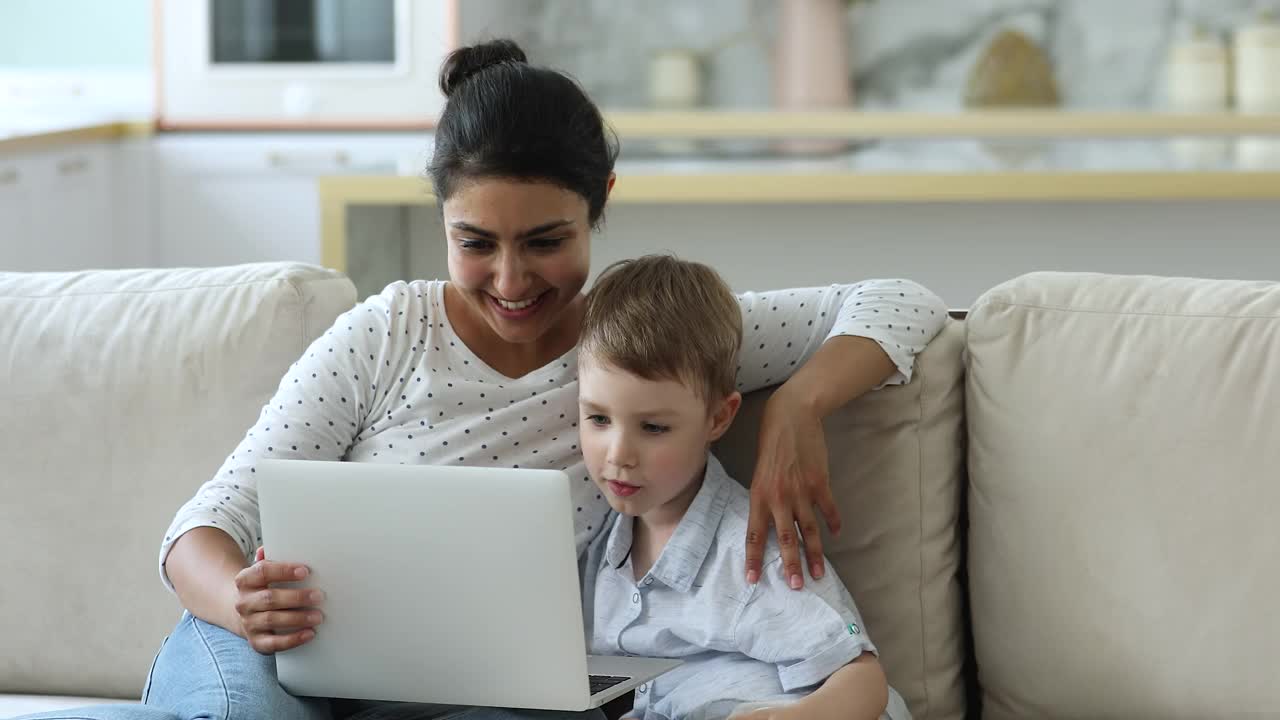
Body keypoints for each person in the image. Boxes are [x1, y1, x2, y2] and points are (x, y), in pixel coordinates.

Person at [15, 39, 946, 720]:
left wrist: (802, 407)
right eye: (476, 243)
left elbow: (903, 301)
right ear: (442, 221)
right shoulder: (386, 333)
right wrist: (236, 601)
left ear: (600, 205)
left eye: (546, 242)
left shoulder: (640, 344)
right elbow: (202, 528)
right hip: (271, 659)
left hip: (475, 690)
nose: (512, 283)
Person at [576, 255, 911, 720]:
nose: (618, 454)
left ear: (718, 418)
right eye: (597, 419)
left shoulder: (752, 555)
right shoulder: (601, 545)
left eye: (653, 428)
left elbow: (861, 676)